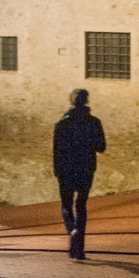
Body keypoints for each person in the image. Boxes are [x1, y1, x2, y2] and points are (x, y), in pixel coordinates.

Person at [52, 88, 106, 261]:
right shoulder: (94, 122)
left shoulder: (62, 123)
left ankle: (72, 231)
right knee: (81, 206)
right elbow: (102, 146)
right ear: (86, 101)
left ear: (71, 102)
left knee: (66, 205)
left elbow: (56, 150)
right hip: (86, 168)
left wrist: (57, 170)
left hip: (66, 169)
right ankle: (79, 250)